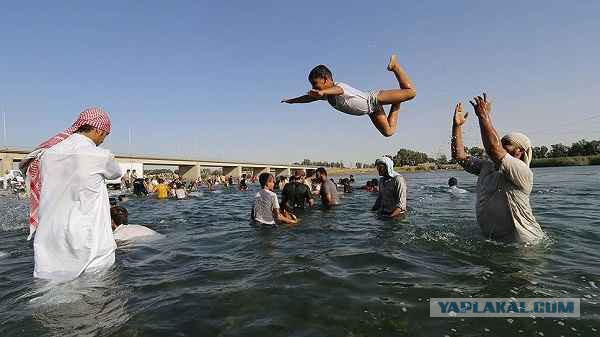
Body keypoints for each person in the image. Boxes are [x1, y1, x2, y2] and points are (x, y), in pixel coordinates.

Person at [19, 107, 121, 280]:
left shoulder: (47, 154)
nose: (103, 139)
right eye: (105, 134)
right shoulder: (100, 155)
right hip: (87, 241)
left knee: (50, 297)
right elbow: (115, 173)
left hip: (49, 241)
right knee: (97, 299)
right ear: (98, 129)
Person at [451, 93, 544, 243]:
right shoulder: (487, 166)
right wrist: (457, 126)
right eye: (501, 144)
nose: (501, 147)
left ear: (519, 152)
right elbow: (459, 156)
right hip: (493, 242)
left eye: (505, 146)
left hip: (524, 245)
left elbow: (493, 149)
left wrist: (483, 116)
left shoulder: (521, 171)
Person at [281, 54, 416, 137]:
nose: (313, 88)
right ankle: (397, 101)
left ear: (326, 79)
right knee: (388, 132)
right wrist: (292, 101)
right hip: (372, 110)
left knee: (411, 93)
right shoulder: (326, 94)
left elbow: (339, 90)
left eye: (316, 84)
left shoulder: (338, 87)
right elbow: (308, 97)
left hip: (374, 98)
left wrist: (322, 92)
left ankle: (395, 66)